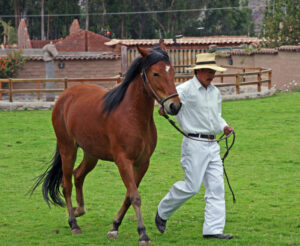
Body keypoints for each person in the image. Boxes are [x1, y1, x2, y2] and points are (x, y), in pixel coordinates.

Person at [155, 52, 234, 240]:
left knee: (216, 187)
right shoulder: (184, 90)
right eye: (208, 71)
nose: (211, 75)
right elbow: (166, 102)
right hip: (194, 144)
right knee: (192, 187)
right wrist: (163, 109)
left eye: (213, 71)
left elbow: (216, 116)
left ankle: (213, 230)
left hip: (213, 144)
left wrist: (224, 126)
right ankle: (163, 211)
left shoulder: (214, 92)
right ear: (198, 71)